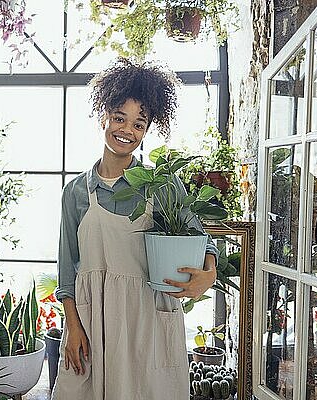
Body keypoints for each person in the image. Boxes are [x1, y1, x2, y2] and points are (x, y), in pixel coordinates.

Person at [50, 58, 220, 400]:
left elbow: (201, 240)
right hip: (92, 320)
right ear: (104, 117)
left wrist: (209, 275)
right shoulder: (76, 192)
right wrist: (73, 327)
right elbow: (67, 268)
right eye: (119, 118)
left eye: (138, 124)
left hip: (148, 322)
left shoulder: (161, 183)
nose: (127, 130)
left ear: (146, 130)